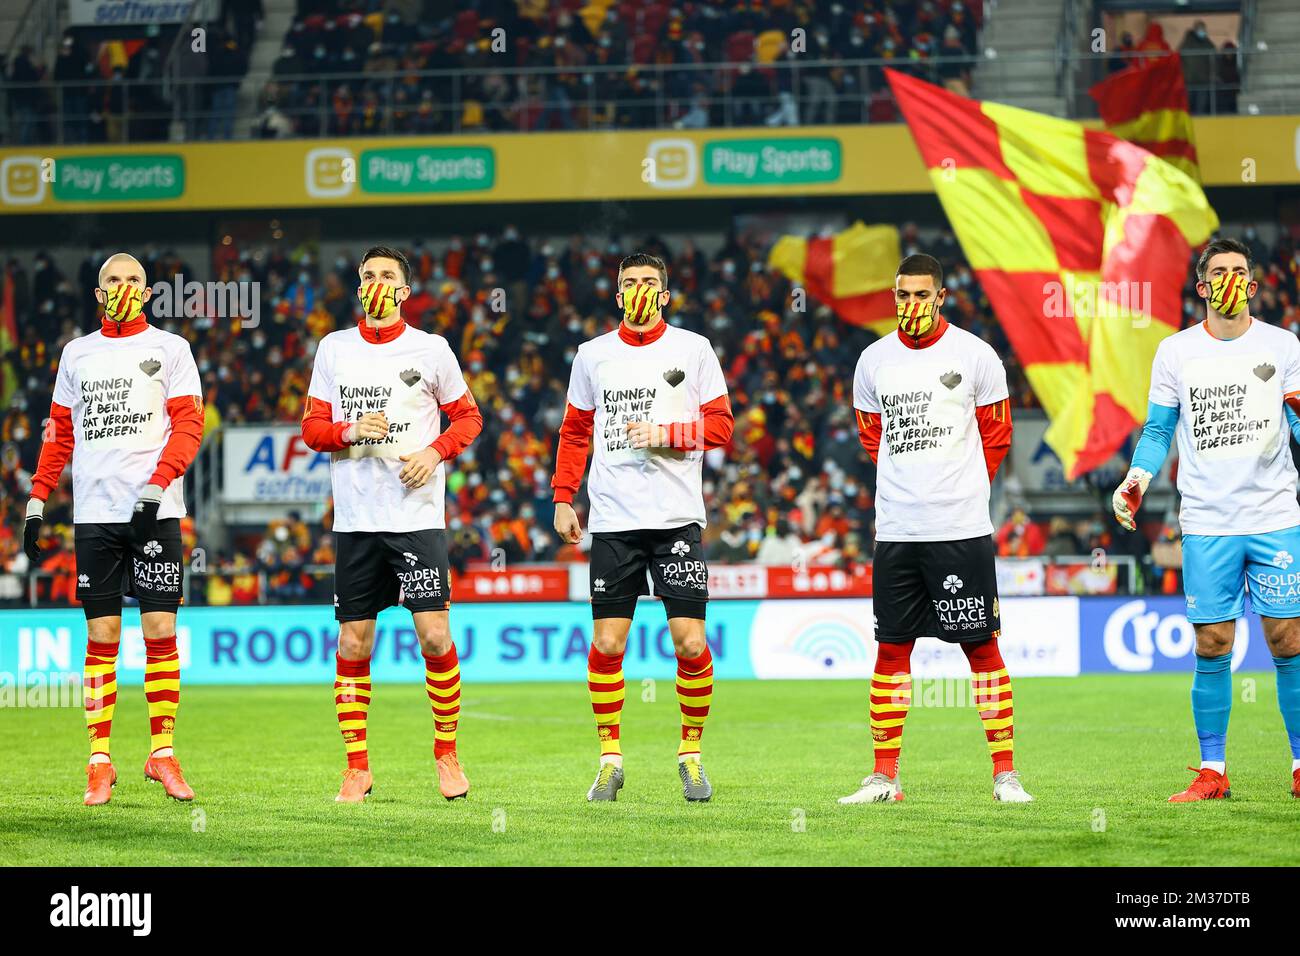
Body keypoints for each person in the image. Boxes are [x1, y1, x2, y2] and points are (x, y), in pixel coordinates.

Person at [1113, 237, 1300, 801]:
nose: (1230, 280)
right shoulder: (1175, 352)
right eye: (1219, 272)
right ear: (1201, 287)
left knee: (1288, 638)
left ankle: (1299, 765)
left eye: (1239, 271)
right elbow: (1158, 430)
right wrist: (1137, 480)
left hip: (1273, 514)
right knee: (1213, 642)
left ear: (1252, 282)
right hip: (1207, 519)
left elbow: (1296, 422)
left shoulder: (1284, 345)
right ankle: (1212, 770)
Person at [843, 252, 1030, 804]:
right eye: (903, 295)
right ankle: (884, 779)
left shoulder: (975, 354)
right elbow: (872, 438)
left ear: (941, 296)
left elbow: (996, 436)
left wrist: (963, 488)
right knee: (891, 650)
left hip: (960, 527)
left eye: (921, 295)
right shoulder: (873, 360)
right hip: (897, 529)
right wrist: (909, 485)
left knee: (981, 649)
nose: (911, 304)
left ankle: (1005, 774)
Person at [300, 245, 483, 803]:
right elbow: (311, 429)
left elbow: (470, 417)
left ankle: (447, 755)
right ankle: (357, 766)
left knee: (434, 636)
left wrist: (434, 451)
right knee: (354, 643)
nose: (376, 283)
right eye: (367, 275)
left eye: (387, 276)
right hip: (356, 520)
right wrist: (349, 431)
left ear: (404, 291)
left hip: (416, 517)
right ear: (359, 287)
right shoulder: (334, 348)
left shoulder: (431, 349)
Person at [551, 252, 734, 802]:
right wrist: (564, 498)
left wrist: (665, 433)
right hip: (613, 520)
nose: (638, 290)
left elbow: (722, 426)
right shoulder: (593, 355)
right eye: (629, 282)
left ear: (665, 294)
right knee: (607, 643)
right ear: (616, 294)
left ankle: (691, 755)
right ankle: (610, 759)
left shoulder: (694, 349)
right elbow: (574, 431)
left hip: (676, 518)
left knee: (690, 641)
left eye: (649, 282)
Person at [23, 252, 204, 806]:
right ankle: (100, 761)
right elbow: (59, 434)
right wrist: (36, 498)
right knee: (101, 636)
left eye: (133, 280)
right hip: (95, 515)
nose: (123, 287)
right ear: (98, 293)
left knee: (158, 633)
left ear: (148, 292)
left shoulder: (171, 349)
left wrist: (157, 484)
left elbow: (190, 425)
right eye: (112, 280)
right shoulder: (76, 353)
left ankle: (163, 753)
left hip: (155, 511)